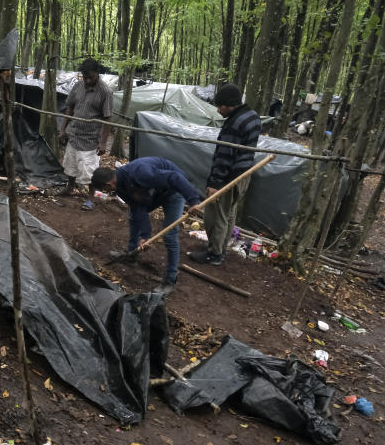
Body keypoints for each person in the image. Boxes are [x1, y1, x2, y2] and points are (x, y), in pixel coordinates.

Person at [91, 158, 202, 296]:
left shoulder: (140, 173)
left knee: (170, 235)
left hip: (174, 191)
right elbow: (138, 208)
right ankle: (132, 254)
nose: (106, 191)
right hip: (155, 191)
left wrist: (193, 200)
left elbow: (175, 177)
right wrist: (146, 236)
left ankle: (170, 281)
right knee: (134, 217)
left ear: (108, 184)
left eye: (104, 189)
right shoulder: (120, 187)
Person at [188, 83, 261, 266]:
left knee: (216, 215)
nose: (218, 110)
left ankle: (214, 253)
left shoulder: (234, 124)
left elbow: (225, 156)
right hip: (243, 175)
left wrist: (215, 183)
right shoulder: (252, 116)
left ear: (230, 104)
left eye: (220, 106)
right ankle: (220, 249)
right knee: (228, 214)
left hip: (229, 176)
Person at [59, 58, 113, 209]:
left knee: (89, 171)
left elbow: (107, 119)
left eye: (91, 77)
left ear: (98, 73)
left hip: (90, 139)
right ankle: (70, 187)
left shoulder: (105, 92)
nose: (88, 80)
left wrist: (103, 142)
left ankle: (90, 198)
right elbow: (70, 108)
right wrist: (63, 129)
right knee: (70, 164)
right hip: (74, 133)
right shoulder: (77, 86)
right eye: (85, 77)